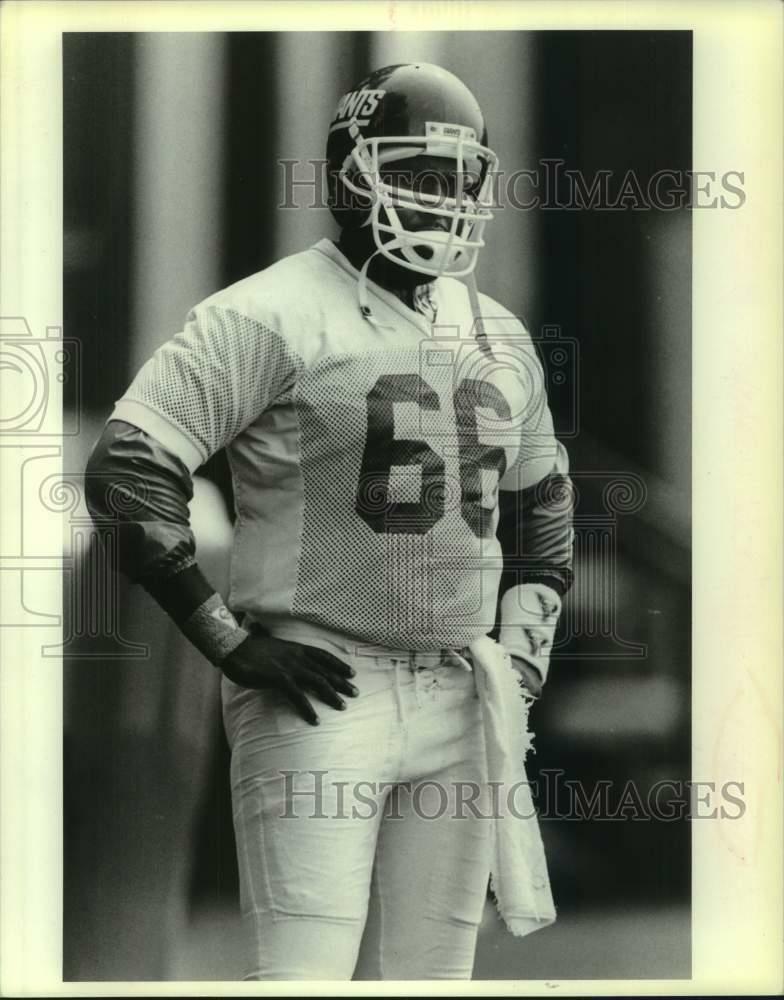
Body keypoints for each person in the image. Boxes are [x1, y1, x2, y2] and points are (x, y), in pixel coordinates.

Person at [85, 61, 574, 981]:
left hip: (463, 692)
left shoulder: (498, 332)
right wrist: (224, 638)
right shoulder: (266, 313)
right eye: (416, 175)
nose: (440, 200)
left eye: (455, 178)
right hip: (322, 686)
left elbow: (543, 497)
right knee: (305, 974)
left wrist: (524, 648)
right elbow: (129, 468)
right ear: (353, 175)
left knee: (437, 976)